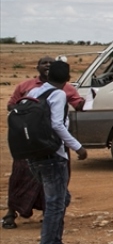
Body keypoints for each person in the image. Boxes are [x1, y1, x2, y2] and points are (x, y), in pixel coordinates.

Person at [5, 56, 85, 229]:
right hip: (37, 143)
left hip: (40, 145)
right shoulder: (27, 87)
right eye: (43, 62)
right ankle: (15, 214)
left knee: (53, 187)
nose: (47, 65)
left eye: (50, 63)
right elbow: (12, 106)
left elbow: (78, 104)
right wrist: (78, 148)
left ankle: (49, 218)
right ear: (37, 67)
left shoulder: (64, 90)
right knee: (22, 178)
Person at [23, 61, 89, 244]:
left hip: (34, 155)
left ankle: (56, 242)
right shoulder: (59, 95)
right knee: (55, 203)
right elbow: (57, 125)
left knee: (62, 199)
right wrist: (78, 146)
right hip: (53, 156)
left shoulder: (35, 92)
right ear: (67, 79)